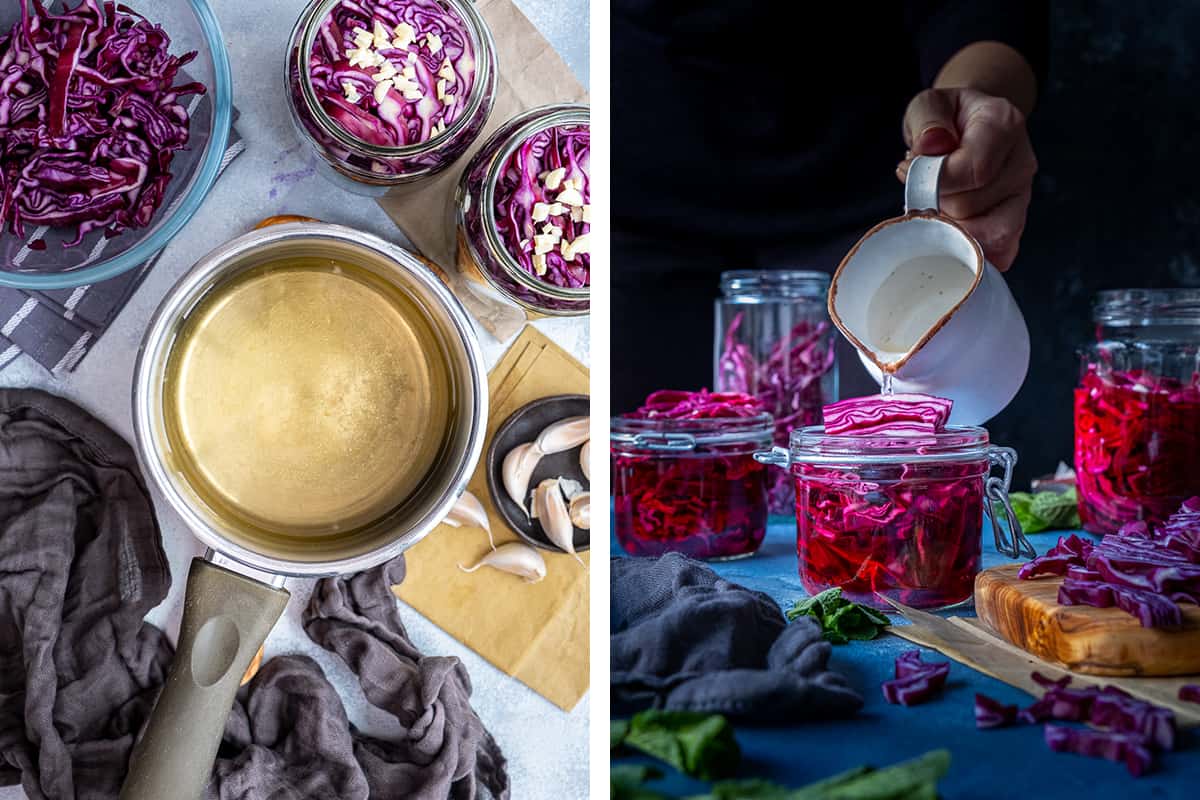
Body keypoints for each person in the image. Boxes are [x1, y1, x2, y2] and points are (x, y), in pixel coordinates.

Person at [611, 1, 1047, 410]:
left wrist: (969, 113)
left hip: (858, 199)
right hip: (630, 205)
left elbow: (976, 10)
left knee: (883, 463)